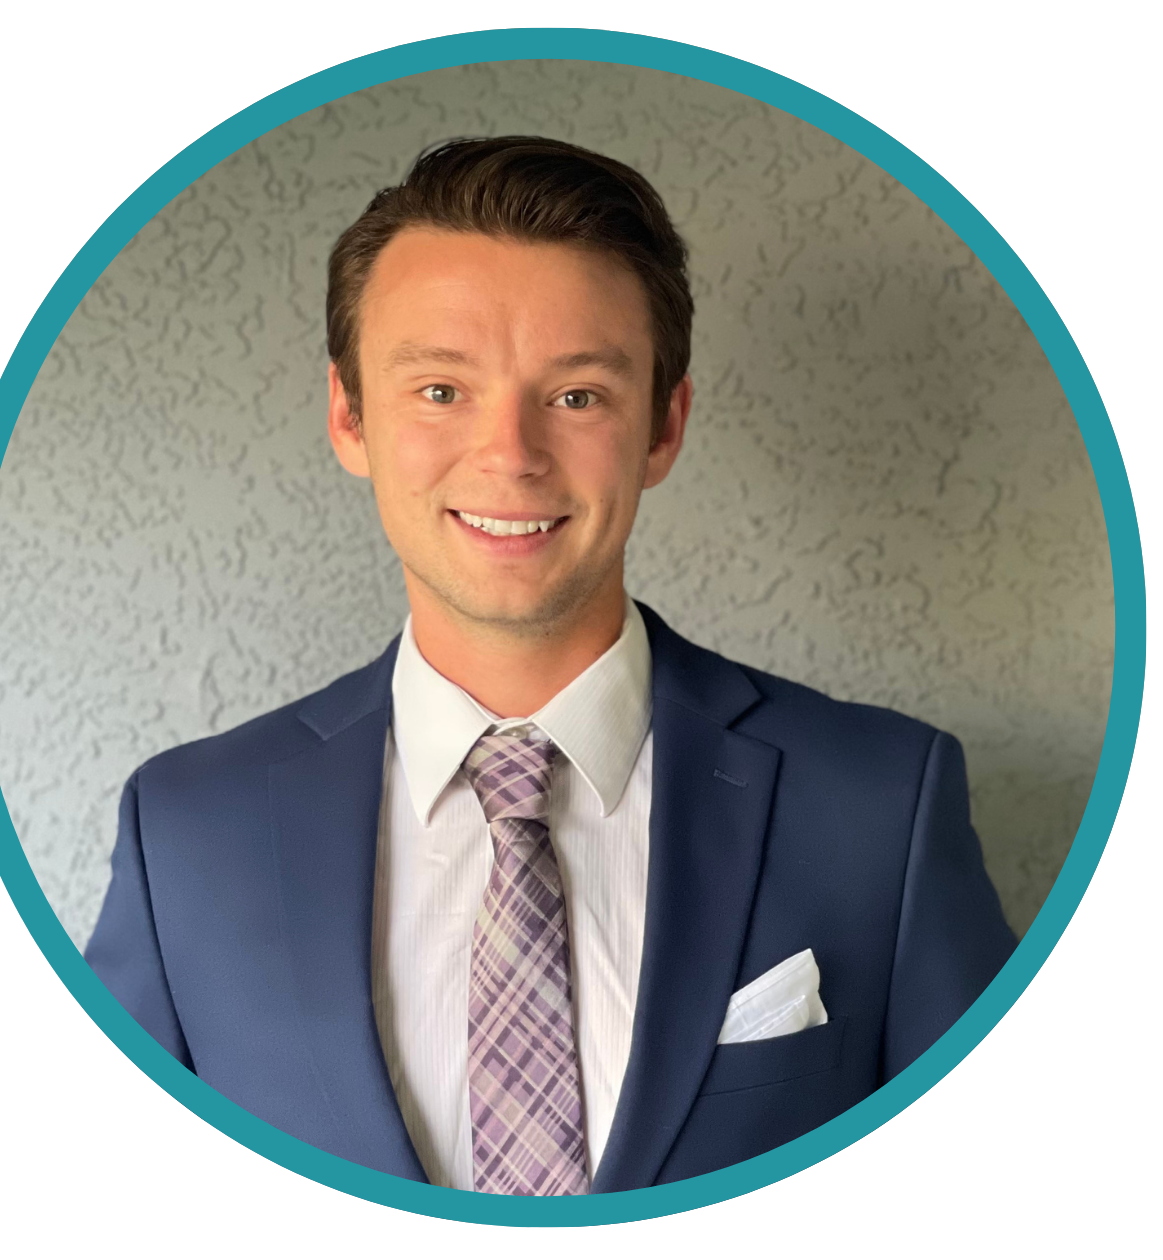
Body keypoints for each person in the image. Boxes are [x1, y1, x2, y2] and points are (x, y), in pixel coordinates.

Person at [86, 136, 1017, 1196]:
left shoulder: (882, 803)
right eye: (440, 389)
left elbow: (995, 1188)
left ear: (662, 428)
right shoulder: (185, 834)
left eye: (577, 396)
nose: (510, 455)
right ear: (350, 417)